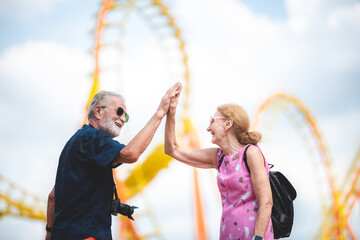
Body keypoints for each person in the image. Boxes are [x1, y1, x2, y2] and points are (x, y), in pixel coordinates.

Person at [45, 82, 182, 240]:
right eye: (119, 111)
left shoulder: (75, 143)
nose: (123, 119)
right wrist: (160, 113)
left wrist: (49, 233)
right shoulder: (91, 137)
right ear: (98, 111)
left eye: (126, 116)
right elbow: (131, 154)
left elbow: (52, 196)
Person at [164, 93, 273, 240]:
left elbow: (266, 202)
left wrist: (258, 238)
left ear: (228, 124)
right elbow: (173, 150)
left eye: (212, 121)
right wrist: (171, 112)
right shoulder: (219, 157)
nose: (208, 128)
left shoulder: (251, 153)